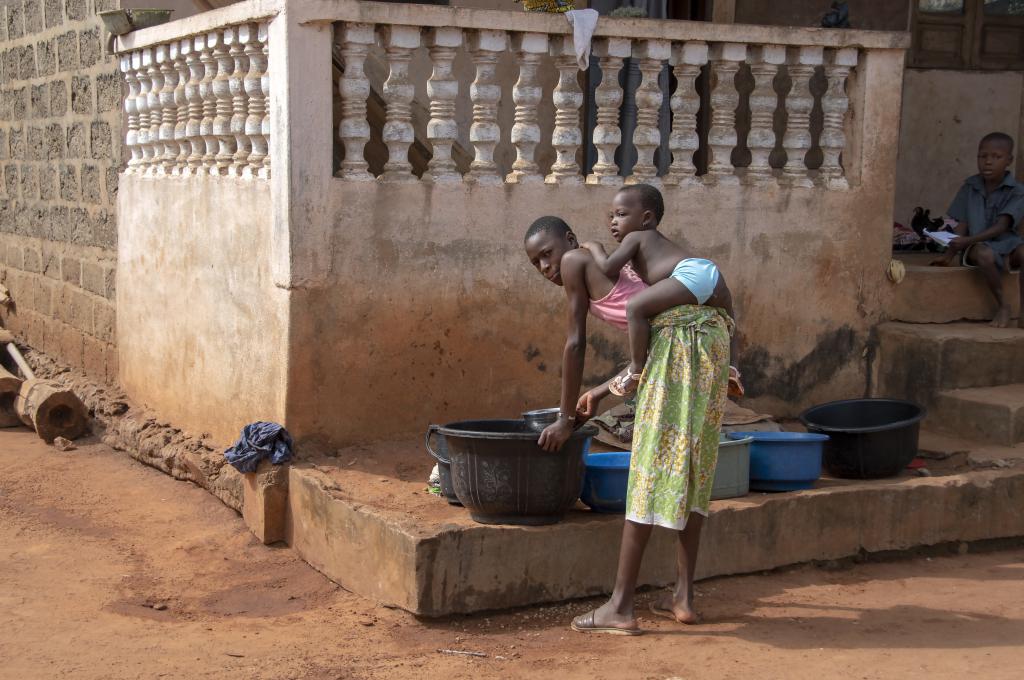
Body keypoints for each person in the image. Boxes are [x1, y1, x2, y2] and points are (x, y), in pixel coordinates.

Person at [580, 184, 739, 395]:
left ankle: (636, 369)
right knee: (729, 320)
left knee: (635, 307)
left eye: (621, 214)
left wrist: (594, 247)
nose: (613, 222)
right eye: (612, 216)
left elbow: (608, 267)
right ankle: (733, 369)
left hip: (690, 274)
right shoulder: (651, 242)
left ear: (646, 218)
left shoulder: (635, 237)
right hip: (710, 274)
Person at [523, 215, 648, 453]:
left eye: (547, 253)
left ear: (570, 240)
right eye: (536, 263)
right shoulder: (595, 263)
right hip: (686, 340)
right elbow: (647, 357)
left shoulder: (573, 260)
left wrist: (565, 419)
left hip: (679, 342)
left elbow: (575, 344)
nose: (544, 266)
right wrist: (597, 394)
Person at [932, 132, 1024, 328]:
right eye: (982, 156)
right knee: (984, 254)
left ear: (1009, 160)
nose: (988, 162)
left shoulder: (1017, 191)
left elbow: (1002, 226)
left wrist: (967, 240)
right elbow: (963, 225)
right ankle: (1003, 306)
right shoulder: (970, 187)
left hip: (1008, 244)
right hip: (977, 246)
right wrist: (948, 255)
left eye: (996, 157)